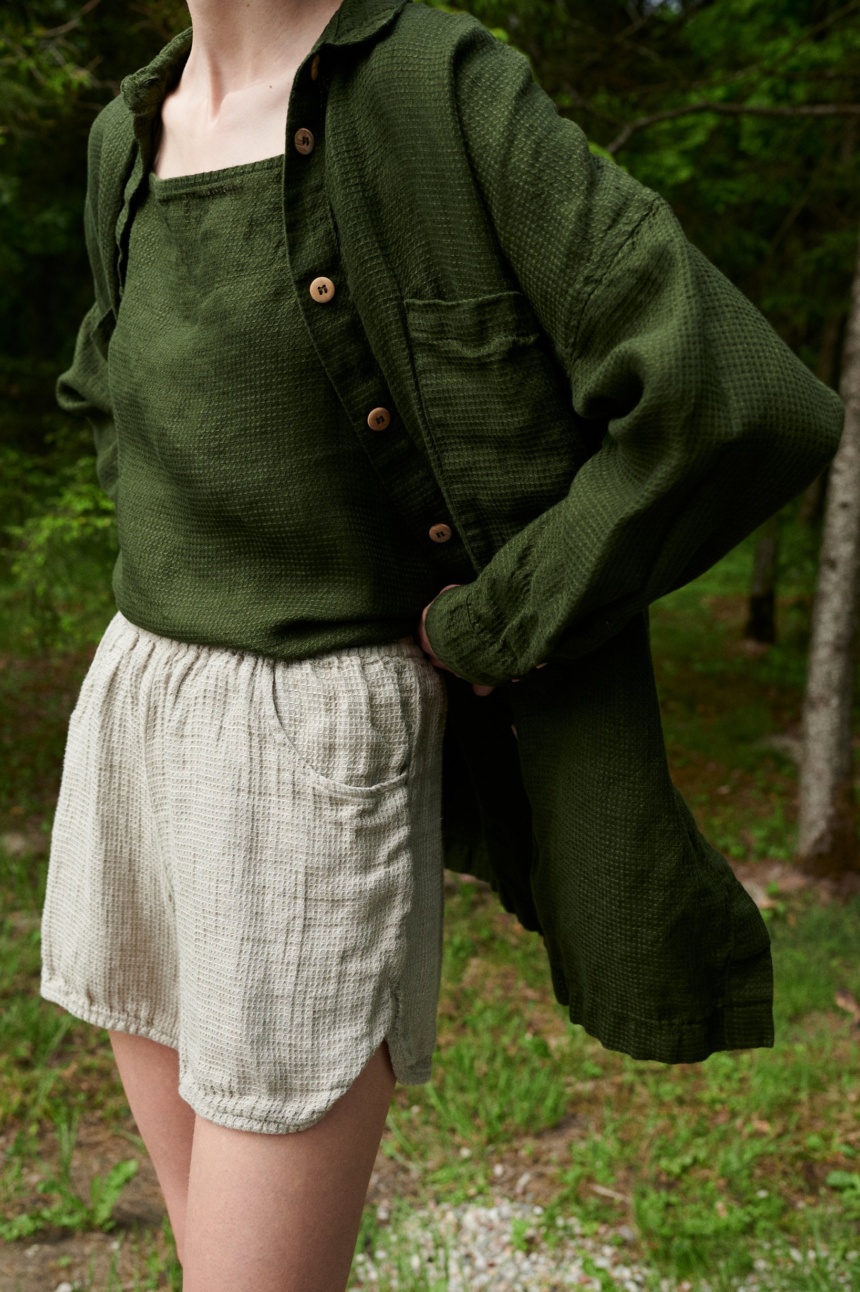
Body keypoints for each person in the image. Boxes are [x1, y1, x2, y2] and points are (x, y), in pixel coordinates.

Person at [39, 0, 844, 1288]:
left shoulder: (436, 89)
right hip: (136, 709)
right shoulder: (125, 133)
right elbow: (108, 389)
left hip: (305, 753)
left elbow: (727, 395)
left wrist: (501, 615)